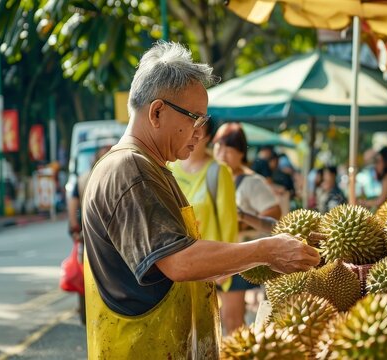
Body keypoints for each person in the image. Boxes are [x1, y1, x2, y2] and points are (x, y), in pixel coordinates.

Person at [81, 41, 319, 359]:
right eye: (195, 118)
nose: (200, 132)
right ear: (156, 112)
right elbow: (179, 261)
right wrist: (266, 250)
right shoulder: (129, 170)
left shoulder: (156, 170)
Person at [167, 119, 242, 334]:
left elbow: (229, 224)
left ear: (208, 137)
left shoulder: (218, 172)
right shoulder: (168, 169)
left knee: (209, 331)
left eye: (199, 131)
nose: (193, 135)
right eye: (189, 128)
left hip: (208, 266)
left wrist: (227, 266)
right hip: (176, 264)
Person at [213, 122, 283, 334]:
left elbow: (274, 215)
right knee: (221, 319)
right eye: (219, 147)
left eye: (229, 149)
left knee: (233, 319)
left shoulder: (252, 182)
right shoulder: (213, 177)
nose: (223, 154)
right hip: (216, 254)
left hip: (240, 257)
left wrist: (241, 219)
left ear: (241, 152)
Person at [67, 145, 112, 325]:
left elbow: (72, 205)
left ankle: (87, 314)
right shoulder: (113, 175)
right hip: (110, 237)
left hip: (87, 235)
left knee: (86, 272)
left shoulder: (82, 179)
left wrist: (74, 228)